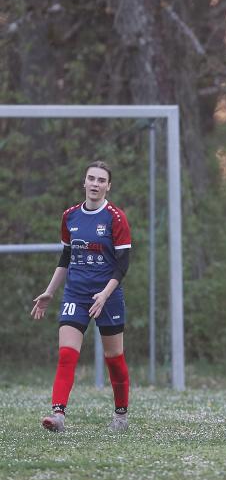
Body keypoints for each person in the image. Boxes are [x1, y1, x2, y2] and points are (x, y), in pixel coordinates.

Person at [31, 161, 132, 433]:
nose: (96, 184)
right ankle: (58, 414)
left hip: (107, 296)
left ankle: (121, 416)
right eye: (92, 179)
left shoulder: (116, 217)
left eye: (101, 180)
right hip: (76, 292)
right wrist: (50, 292)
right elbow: (66, 256)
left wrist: (105, 294)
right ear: (84, 182)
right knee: (67, 353)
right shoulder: (70, 216)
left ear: (108, 186)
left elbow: (122, 264)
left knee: (114, 357)